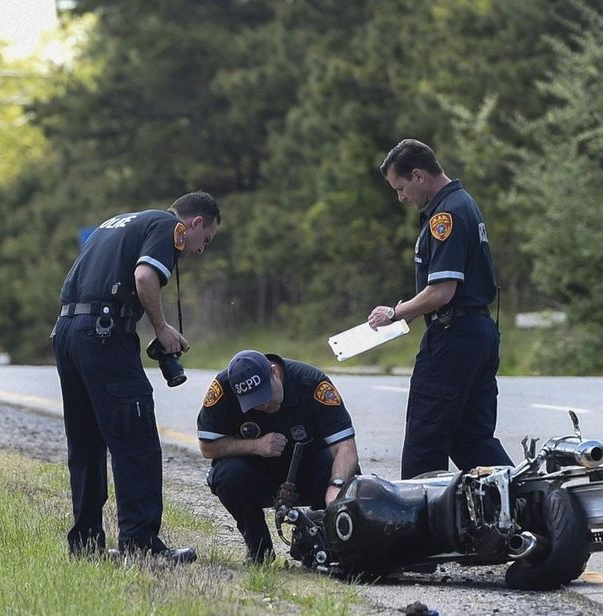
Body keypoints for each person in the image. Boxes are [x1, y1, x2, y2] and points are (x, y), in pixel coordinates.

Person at [52, 191, 220, 563]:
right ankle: (140, 545)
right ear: (193, 224)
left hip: (67, 331)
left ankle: (86, 544)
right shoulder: (167, 226)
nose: (199, 250)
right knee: (137, 441)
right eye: (204, 239)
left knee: (86, 444)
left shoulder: (118, 221)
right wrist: (161, 329)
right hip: (103, 334)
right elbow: (144, 276)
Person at [367, 139, 512, 480]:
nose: (401, 197)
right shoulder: (464, 204)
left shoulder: (445, 215)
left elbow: (442, 292)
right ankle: (531, 507)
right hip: (479, 333)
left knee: (424, 439)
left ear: (418, 175)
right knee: (472, 441)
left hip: (453, 337)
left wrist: (396, 312)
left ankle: (419, 528)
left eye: (400, 188)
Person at [197, 349, 360, 563]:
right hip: (257, 473)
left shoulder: (311, 383)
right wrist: (255, 446)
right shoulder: (223, 389)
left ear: (274, 372)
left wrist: (336, 487)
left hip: (308, 469)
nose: (264, 405)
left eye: (265, 396)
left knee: (350, 480)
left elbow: (345, 448)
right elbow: (207, 447)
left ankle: (323, 542)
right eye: (254, 402)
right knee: (227, 475)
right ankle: (259, 550)